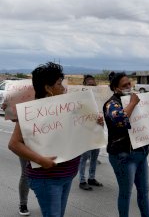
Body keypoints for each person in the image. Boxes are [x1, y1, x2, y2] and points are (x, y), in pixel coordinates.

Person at [8, 62, 104, 217]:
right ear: (48, 88)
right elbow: (14, 144)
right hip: (47, 179)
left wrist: (96, 123)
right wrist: (41, 160)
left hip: (67, 174)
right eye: (59, 84)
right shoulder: (32, 111)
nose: (64, 88)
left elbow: (81, 131)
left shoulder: (69, 108)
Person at [103, 72, 149, 217]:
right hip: (123, 155)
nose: (129, 87)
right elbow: (121, 120)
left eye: (129, 83)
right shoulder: (111, 104)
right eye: (125, 85)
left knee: (144, 191)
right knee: (126, 193)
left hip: (141, 153)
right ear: (115, 88)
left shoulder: (134, 100)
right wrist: (132, 103)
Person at [2, 103, 30, 216]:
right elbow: (15, 120)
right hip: (25, 141)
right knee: (26, 173)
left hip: (45, 142)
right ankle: (23, 204)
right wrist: (9, 110)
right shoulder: (27, 95)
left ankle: (48, 202)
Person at [78, 74, 103, 190]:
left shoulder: (99, 100)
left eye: (93, 85)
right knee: (84, 157)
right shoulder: (80, 100)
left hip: (96, 132)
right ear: (84, 86)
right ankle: (82, 180)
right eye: (89, 85)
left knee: (94, 156)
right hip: (84, 133)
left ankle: (91, 178)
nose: (92, 87)